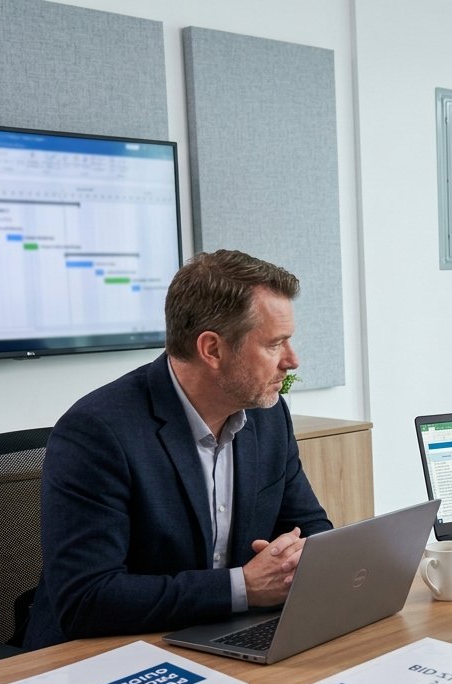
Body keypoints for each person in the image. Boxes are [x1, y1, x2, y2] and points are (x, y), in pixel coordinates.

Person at [24, 250, 332, 650]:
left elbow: (312, 530)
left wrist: (304, 559)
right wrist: (243, 587)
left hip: (224, 636)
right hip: (103, 654)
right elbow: (87, 599)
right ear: (212, 349)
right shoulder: (98, 432)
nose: (292, 360)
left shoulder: (268, 416)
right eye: (275, 344)